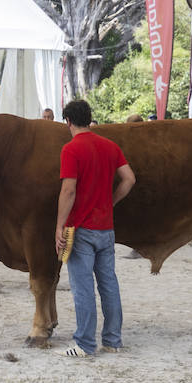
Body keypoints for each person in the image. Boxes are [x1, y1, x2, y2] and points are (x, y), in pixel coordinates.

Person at [55, 99, 136, 357]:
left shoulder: (71, 149)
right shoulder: (110, 147)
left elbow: (68, 190)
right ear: (90, 118)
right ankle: (112, 340)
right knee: (109, 284)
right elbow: (129, 179)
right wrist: (111, 201)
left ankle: (85, 344)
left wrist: (59, 226)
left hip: (80, 227)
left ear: (68, 121)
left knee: (83, 288)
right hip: (106, 227)